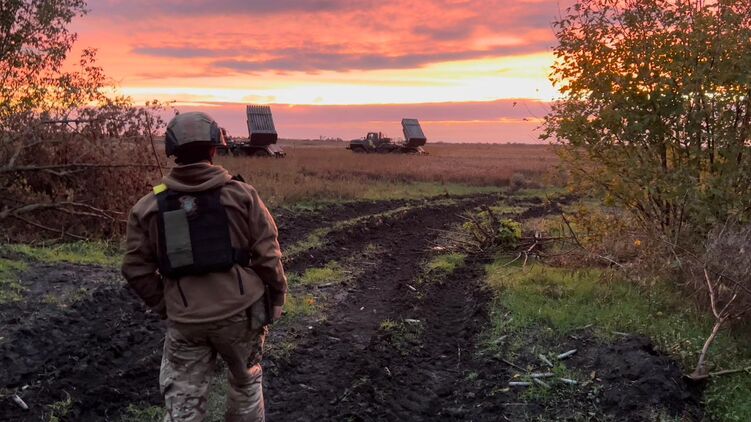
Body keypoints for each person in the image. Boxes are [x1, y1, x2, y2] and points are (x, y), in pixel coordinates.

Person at [121, 111, 287, 422]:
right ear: (214, 149)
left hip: (186, 320)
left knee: (183, 399)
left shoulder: (148, 207)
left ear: (173, 153)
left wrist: (166, 305)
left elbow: (135, 268)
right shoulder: (242, 195)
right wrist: (276, 299)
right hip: (242, 314)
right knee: (246, 382)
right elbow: (268, 256)